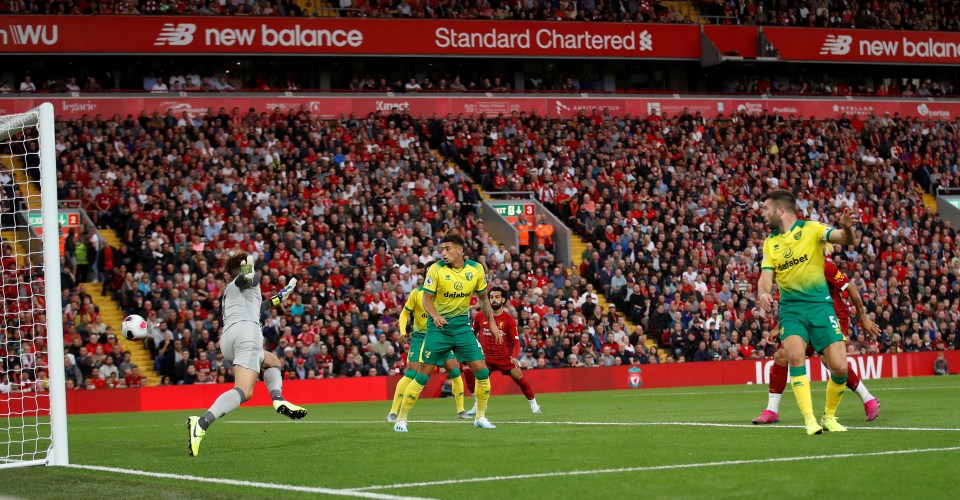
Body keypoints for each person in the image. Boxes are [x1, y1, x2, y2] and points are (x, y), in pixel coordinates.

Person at [757, 189, 857, 436]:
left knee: (840, 368)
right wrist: (763, 293)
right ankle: (809, 420)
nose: (762, 214)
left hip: (822, 308)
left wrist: (847, 228)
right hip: (792, 310)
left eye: (766, 209)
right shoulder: (770, 243)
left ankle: (829, 416)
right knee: (795, 356)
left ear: (781, 210)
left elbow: (844, 238)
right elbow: (765, 276)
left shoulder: (812, 229)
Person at [187, 250, 306, 456]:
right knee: (244, 391)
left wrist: (280, 296)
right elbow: (249, 278)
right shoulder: (246, 280)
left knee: (272, 360)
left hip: (229, 340)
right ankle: (202, 423)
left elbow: (258, 306)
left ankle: (278, 398)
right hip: (247, 333)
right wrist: (249, 271)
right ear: (242, 269)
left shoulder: (231, 291)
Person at [394, 233, 503, 432]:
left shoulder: (476, 269)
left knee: (483, 371)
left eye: (447, 249)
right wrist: (434, 315)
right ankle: (401, 419)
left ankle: (480, 417)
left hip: (462, 328)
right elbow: (426, 300)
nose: (443, 253)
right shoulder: (435, 270)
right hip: (439, 330)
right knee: (423, 375)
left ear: (460, 250)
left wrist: (492, 324)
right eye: (441, 249)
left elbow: (483, 300)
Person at [753, 258, 882, 424]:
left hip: (832, 316)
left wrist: (863, 318)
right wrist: (780, 325)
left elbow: (850, 289)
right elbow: (795, 301)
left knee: (831, 361)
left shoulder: (824, 266)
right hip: (805, 319)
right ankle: (772, 410)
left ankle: (868, 399)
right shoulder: (792, 269)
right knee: (782, 356)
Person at [387, 283, 468, 422]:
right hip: (421, 337)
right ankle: (393, 412)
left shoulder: (446, 293)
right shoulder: (417, 293)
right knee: (411, 373)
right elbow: (404, 313)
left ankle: (461, 411)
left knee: (455, 371)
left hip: (440, 337)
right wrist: (402, 331)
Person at [464, 286, 541, 414]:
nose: (493, 300)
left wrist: (515, 356)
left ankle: (534, 405)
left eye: (497, 297)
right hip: (486, 358)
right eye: (491, 297)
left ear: (503, 300)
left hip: (504, 357)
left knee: (520, 379)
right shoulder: (479, 316)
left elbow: (516, 342)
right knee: (468, 372)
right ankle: (477, 404)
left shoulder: (508, 320)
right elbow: (472, 334)